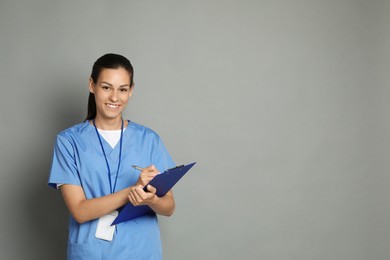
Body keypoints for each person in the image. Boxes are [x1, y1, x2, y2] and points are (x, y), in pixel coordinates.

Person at [48, 53, 176, 260]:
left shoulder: (149, 139)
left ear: (131, 91)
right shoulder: (69, 142)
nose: (114, 98)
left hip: (141, 250)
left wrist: (151, 199)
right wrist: (132, 192)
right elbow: (80, 211)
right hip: (92, 251)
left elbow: (169, 207)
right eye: (106, 87)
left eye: (122, 89)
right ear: (92, 85)